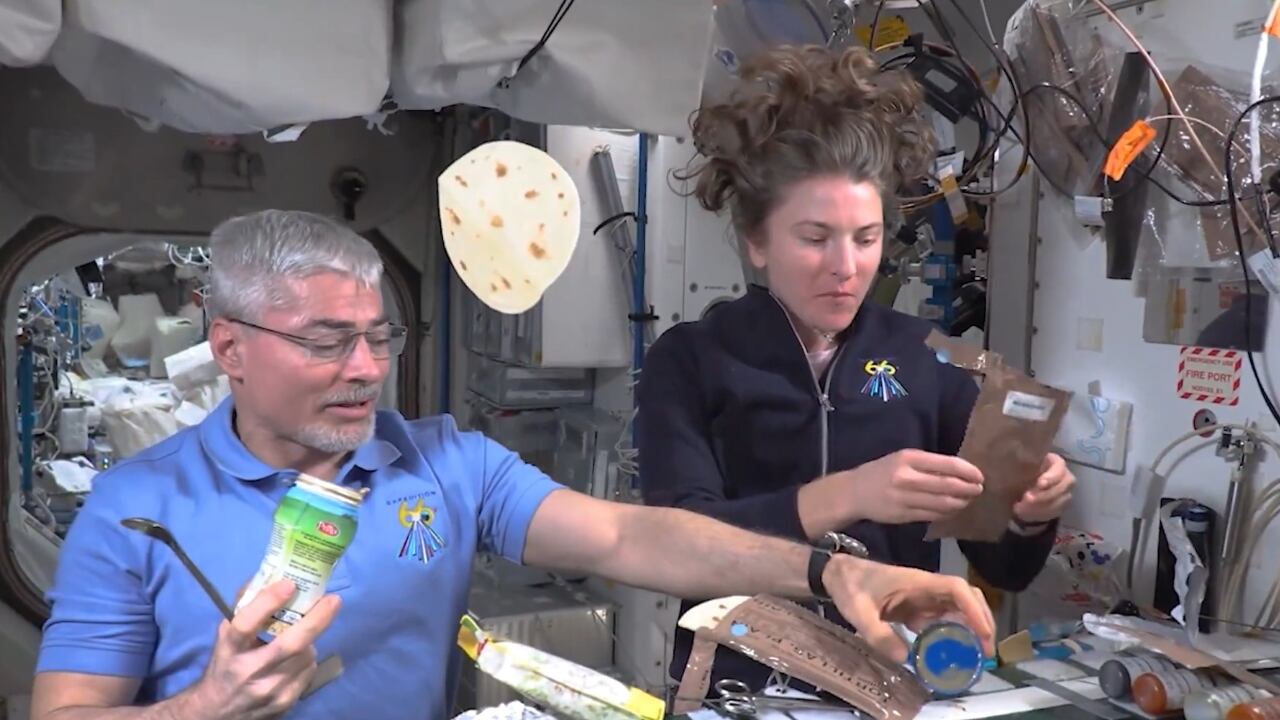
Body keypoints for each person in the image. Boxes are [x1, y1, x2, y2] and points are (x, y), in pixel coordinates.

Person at [31, 209, 998, 720]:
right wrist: (207, 708)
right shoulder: (136, 507)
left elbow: (631, 534)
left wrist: (833, 568)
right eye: (327, 341)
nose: (368, 369)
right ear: (230, 346)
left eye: (380, 335)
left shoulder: (446, 464)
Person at [636, 45, 1076, 693]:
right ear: (757, 242)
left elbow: (1004, 565)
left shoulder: (934, 357)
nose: (846, 266)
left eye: (866, 238)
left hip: (887, 687)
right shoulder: (690, 359)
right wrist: (849, 495)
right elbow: (678, 546)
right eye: (815, 238)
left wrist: (1031, 512)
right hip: (734, 689)